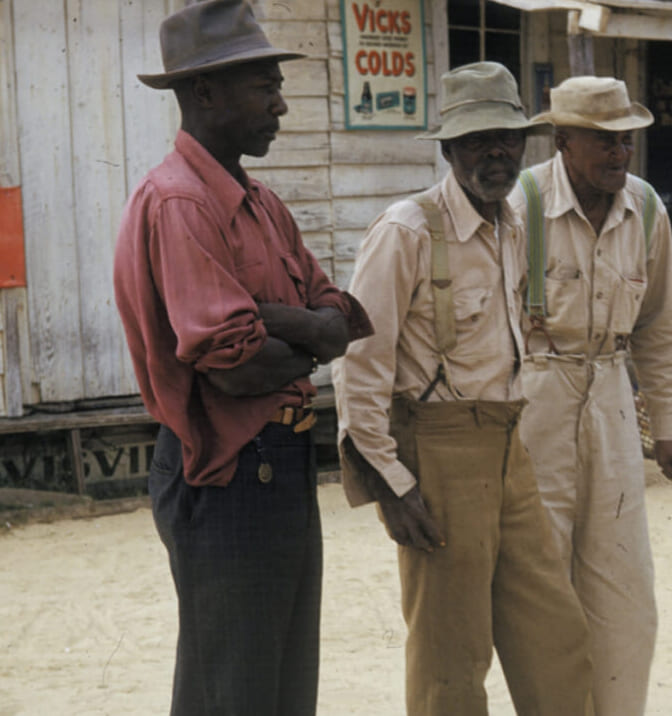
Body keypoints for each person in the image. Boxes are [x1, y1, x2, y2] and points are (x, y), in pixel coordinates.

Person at [112, 2, 373, 714]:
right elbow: (236, 369)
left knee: (279, 687)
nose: (281, 105)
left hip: (281, 464)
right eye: (264, 86)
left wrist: (274, 320)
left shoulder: (261, 204)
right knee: (238, 691)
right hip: (227, 474)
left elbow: (345, 320)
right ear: (204, 93)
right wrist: (304, 331)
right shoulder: (181, 205)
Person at [332, 61, 594, 716]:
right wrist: (392, 483)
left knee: (555, 636)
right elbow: (359, 363)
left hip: (510, 446)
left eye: (506, 137)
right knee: (451, 658)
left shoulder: (513, 226)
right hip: (438, 457)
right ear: (450, 150)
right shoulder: (407, 230)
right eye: (478, 140)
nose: (496, 152)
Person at [508, 75, 672, 716]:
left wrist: (666, 428)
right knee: (541, 585)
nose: (618, 154)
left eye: (626, 141)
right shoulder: (519, 203)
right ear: (562, 141)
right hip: (536, 396)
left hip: (613, 394)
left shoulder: (646, 209)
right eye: (603, 141)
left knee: (623, 591)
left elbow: (661, 327)